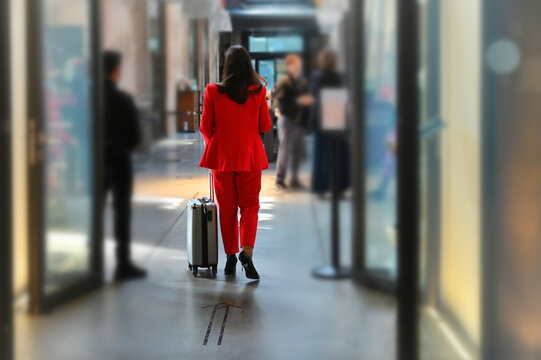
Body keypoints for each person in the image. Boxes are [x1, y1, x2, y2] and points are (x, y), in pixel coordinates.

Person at [199, 45, 272, 280]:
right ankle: (246, 251)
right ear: (249, 65)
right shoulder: (258, 92)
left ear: (226, 66)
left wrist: (216, 144)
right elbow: (265, 127)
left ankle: (230, 257)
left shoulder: (212, 91)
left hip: (222, 158)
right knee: (250, 207)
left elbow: (204, 127)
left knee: (227, 209)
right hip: (250, 157)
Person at [103, 51, 147, 281]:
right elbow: (134, 136)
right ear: (116, 71)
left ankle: (91, 263)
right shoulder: (123, 100)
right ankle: (122, 264)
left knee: (95, 211)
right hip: (119, 161)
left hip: (95, 162)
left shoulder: (89, 100)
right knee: (121, 212)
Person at [308, 48, 351, 196]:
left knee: (322, 155)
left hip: (323, 119)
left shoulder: (317, 76)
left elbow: (313, 95)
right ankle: (340, 187)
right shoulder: (342, 76)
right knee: (340, 155)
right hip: (339, 118)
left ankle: (321, 187)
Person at [272, 54, 313, 190]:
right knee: (285, 150)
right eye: (295, 64)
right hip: (288, 120)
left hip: (298, 120)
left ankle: (294, 179)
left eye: (298, 63)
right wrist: (299, 101)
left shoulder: (301, 81)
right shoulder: (284, 81)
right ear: (289, 66)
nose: (298, 66)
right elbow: (279, 101)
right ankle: (280, 179)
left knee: (297, 151)